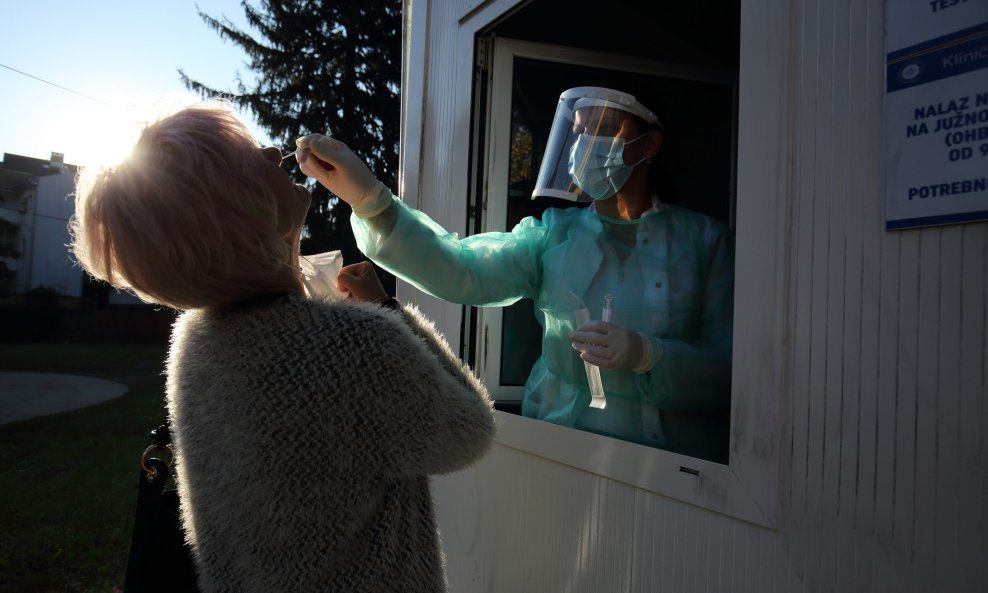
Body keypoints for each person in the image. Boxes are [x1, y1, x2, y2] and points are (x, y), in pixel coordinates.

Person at [70, 102, 496, 592]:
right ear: (232, 207)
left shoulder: (193, 342)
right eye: (250, 156)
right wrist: (386, 313)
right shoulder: (352, 345)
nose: (273, 152)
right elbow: (470, 431)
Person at [296, 86, 733, 462]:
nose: (583, 144)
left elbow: (733, 371)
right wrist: (374, 204)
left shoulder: (704, 242)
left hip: (679, 475)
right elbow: (461, 268)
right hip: (559, 454)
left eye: (601, 127)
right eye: (577, 131)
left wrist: (651, 357)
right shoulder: (555, 235)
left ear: (649, 144)